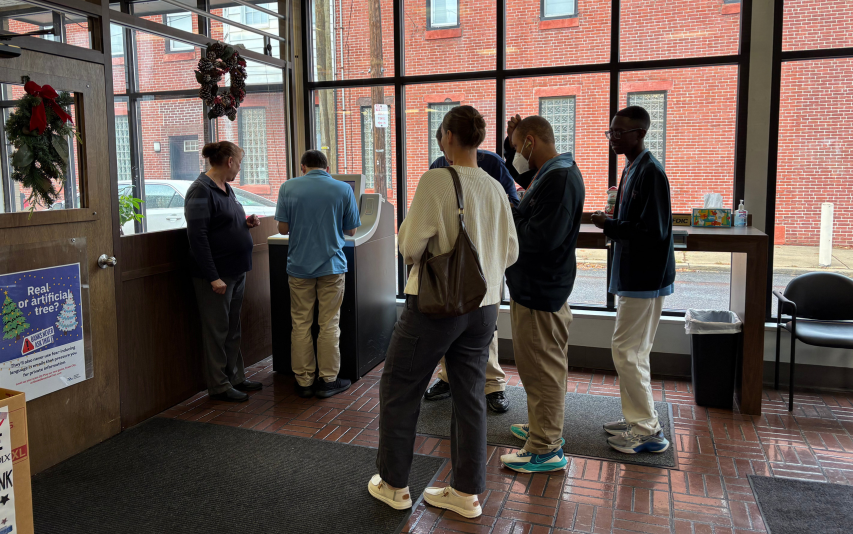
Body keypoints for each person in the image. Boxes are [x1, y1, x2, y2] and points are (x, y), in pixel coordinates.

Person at [369, 106, 518, 519]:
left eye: (440, 136)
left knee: (400, 387)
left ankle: (395, 484)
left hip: (436, 305)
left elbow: (409, 245)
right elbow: (511, 252)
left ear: (450, 137)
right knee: (470, 396)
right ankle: (465, 493)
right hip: (484, 306)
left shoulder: (437, 179)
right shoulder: (493, 185)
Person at [498, 115, 585, 473]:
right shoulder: (550, 172)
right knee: (537, 367)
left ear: (532, 141)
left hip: (541, 290)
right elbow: (520, 180)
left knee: (543, 369)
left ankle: (546, 448)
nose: (517, 155)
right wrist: (509, 144)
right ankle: (541, 427)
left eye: (519, 148)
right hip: (535, 287)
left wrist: (509, 211)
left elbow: (539, 238)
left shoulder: (560, 177)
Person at [591, 106, 674, 454]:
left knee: (628, 352)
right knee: (631, 351)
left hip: (645, 277)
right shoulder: (632, 167)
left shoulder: (651, 172)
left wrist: (607, 224)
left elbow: (651, 232)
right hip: (634, 274)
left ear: (640, 133)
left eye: (619, 132)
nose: (612, 138)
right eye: (610, 132)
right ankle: (637, 417)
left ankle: (647, 431)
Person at [423, 126, 516, 414]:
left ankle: (494, 385)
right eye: (440, 151)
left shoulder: (493, 164)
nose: (445, 156)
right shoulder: (438, 168)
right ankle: (448, 378)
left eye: (445, 147)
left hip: (485, 261)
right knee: (450, 318)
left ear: (454, 138)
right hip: (451, 262)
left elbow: (511, 204)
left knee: (486, 327)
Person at [275, 150, 361, 399]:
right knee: (329, 324)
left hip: (299, 266)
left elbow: (283, 229)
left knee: (300, 323)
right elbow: (352, 230)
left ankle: (303, 382)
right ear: (327, 167)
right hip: (332, 266)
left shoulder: (287, 187)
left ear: (303, 167)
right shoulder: (343, 189)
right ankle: (329, 380)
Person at [186, 141, 263, 403]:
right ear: (229, 161)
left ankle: (236, 376)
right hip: (217, 276)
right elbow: (198, 237)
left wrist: (246, 223)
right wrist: (213, 276)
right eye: (239, 164)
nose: (239, 169)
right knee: (217, 330)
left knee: (232, 328)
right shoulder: (200, 191)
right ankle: (219, 385)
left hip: (236, 270)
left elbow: (223, 224)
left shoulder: (226, 189)